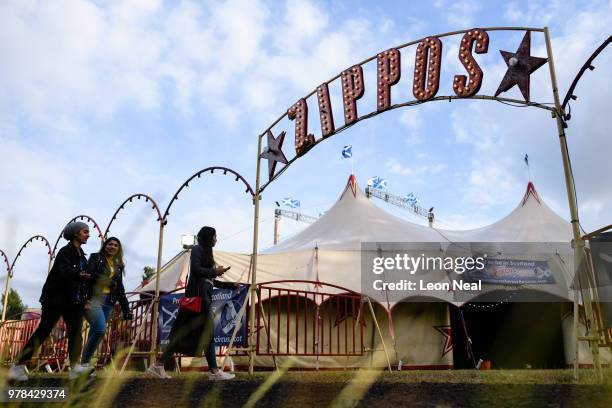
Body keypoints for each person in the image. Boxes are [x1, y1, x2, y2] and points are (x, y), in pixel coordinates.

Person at [147, 226, 237, 380]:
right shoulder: (197, 249)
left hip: (201, 300)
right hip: (197, 300)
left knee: (186, 335)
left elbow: (209, 280)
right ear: (208, 237)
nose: (217, 239)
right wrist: (215, 271)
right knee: (206, 334)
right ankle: (214, 372)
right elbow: (196, 270)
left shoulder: (206, 254)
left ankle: (158, 365)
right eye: (215, 236)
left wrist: (229, 285)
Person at [8, 221, 91, 381]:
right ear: (75, 234)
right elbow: (62, 271)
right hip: (56, 300)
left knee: (76, 332)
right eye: (85, 231)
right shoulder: (65, 252)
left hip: (74, 302)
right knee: (44, 330)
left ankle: (75, 368)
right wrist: (79, 275)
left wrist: (86, 297)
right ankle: (17, 366)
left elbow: (84, 279)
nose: (88, 234)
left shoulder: (82, 256)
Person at [79, 237, 133, 373]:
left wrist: (126, 309)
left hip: (109, 301)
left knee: (95, 331)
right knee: (100, 329)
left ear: (118, 249)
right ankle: (84, 364)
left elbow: (120, 288)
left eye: (116, 245)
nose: (113, 247)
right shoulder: (95, 257)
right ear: (105, 245)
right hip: (94, 299)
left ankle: (84, 364)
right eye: (110, 244)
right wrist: (107, 281)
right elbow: (89, 274)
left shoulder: (118, 265)